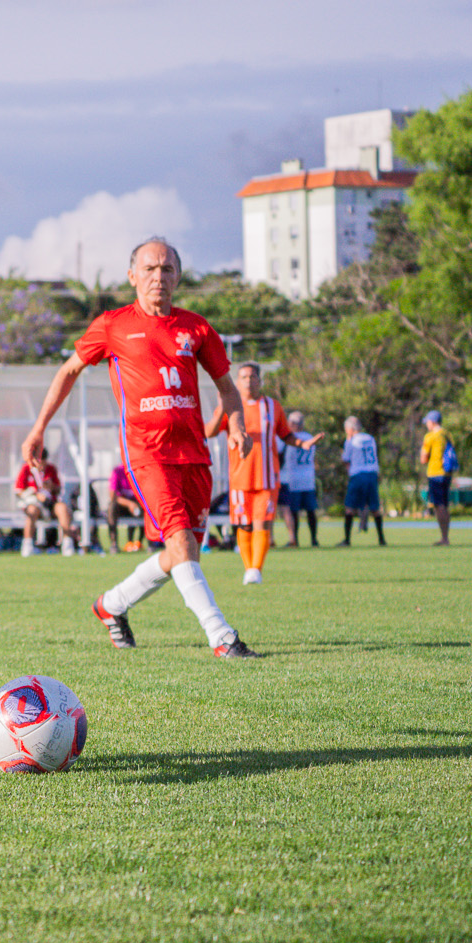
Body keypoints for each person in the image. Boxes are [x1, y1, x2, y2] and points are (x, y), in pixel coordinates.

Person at [24, 236, 262, 658]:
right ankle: (222, 637)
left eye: (167, 269)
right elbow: (69, 370)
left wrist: (237, 423)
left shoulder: (197, 327)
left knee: (181, 554)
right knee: (181, 544)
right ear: (132, 276)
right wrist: (40, 427)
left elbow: (226, 386)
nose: (158, 277)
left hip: (194, 455)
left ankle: (111, 605)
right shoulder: (113, 325)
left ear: (179, 277)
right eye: (149, 269)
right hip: (147, 453)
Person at [208, 361, 295, 585]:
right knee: (245, 525)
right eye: (244, 377)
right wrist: (221, 408)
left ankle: (256, 569)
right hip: (239, 478)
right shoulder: (231, 406)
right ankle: (249, 569)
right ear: (237, 382)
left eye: (252, 377)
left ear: (259, 380)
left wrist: (303, 444)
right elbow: (209, 432)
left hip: (267, 477)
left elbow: (286, 434)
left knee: (262, 523)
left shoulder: (272, 406)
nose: (248, 380)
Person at [13, 449, 76, 555]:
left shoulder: (51, 469)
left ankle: (67, 543)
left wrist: (51, 487)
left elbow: (58, 490)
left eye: (43, 461)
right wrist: (35, 493)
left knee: (62, 508)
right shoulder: (26, 469)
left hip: (50, 504)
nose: (41, 464)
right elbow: (18, 490)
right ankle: (27, 545)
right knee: (32, 511)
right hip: (34, 504)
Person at [279, 411, 323, 548]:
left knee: (294, 511)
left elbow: (281, 458)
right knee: (310, 511)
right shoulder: (309, 437)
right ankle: (314, 539)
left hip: (293, 478)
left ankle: (295, 540)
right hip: (308, 478)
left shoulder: (289, 438)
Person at [339, 416, 387, 546]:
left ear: (350, 429)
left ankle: (347, 540)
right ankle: (381, 539)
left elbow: (345, 459)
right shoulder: (370, 438)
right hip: (372, 474)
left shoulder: (351, 441)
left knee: (350, 508)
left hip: (358, 474)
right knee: (375, 508)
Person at [419, 410, 453, 546]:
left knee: (439, 506)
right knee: (444, 505)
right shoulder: (447, 434)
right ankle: (445, 536)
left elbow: (423, 458)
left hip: (435, 473)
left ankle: (444, 538)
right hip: (447, 473)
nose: (427, 424)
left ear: (432, 422)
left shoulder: (430, 436)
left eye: (427, 422)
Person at [105, 457, 144, 553]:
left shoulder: (139, 470)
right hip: (121, 506)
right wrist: (129, 504)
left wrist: (134, 504)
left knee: (146, 508)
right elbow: (113, 496)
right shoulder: (117, 471)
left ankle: (141, 542)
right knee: (112, 508)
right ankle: (114, 544)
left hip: (136, 505)